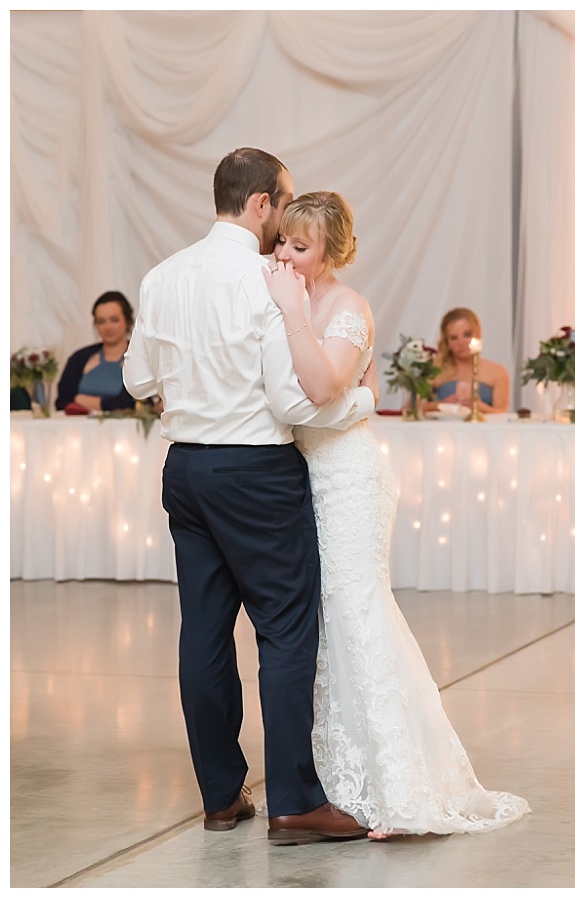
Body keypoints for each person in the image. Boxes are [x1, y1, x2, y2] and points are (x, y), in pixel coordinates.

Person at [123, 148, 373, 847]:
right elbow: (293, 396)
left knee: (202, 631)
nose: (285, 223)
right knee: (286, 632)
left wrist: (190, 382)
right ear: (262, 201)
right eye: (283, 204)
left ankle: (221, 795)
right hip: (256, 471)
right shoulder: (266, 279)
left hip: (185, 470)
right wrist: (358, 399)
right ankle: (294, 802)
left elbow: (139, 380)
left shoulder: (162, 275)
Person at [263, 191, 530, 839]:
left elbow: (321, 390)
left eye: (301, 246)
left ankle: (396, 784)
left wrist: (346, 395)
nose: (286, 255)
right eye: (283, 243)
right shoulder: (290, 301)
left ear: (332, 253)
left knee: (358, 610)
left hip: (350, 475)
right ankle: (337, 778)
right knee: (326, 622)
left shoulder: (346, 308)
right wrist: (353, 396)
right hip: (310, 475)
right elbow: (304, 394)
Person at [55, 291, 138, 412]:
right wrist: (108, 404)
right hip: (79, 429)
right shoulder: (79, 358)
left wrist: (80, 399)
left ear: (128, 321)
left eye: (114, 320)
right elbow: (62, 401)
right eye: (101, 321)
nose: (108, 327)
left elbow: (131, 403)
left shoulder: (141, 358)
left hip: (125, 429)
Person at [425, 308, 511, 413]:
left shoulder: (498, 372)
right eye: (453, 338)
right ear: (446, 341)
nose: (461, 342)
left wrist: (480, 408)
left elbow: (502, 413)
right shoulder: (435, 369)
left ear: (478, 335)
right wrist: (440, 405)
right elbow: (412, 408)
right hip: (444, 428)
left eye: (467, 335)